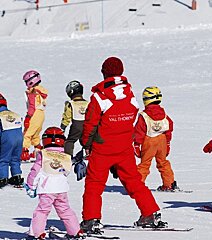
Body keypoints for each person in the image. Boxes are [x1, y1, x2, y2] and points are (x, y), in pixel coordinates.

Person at [77, 56, 167, 233]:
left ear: (104, 73)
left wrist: (86, 143)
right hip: (124, 146)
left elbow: (90, 123)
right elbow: (132, 113)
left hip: (102, 148)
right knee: (134, 181)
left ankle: (91, 219)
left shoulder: (99, 96)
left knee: (94, 185)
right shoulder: (129, 92)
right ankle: (150, 212)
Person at [24, 127, 83, 240]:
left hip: (47, 189)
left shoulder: (43, 155)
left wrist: (31, 186)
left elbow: (35, 171)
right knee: (65, 209)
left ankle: (37, 233)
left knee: (42, 211)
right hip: (61, 188)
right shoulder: (65, 156)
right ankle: (75, 231)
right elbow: (66, 171)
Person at [134, 86, 178, 191]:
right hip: (162, 139)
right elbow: (169, 126)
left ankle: (137, 185)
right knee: (163, 163)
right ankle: (169, 184)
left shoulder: (144, 115)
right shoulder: (164, 114)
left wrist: (136, 144)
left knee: (144, 164)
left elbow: (139, 131)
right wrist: (167, 142)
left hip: (149, 140)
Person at [21, 70, 48, 161]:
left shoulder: (33, 92)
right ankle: (38, 150)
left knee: (27, 133)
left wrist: (28, 117)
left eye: (26, 82)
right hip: (41, 114)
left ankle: (24, 152)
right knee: (35, 133)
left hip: (35, 114)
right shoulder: (41, 90)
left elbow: (32, 106)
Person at [0, 93, 24, 188]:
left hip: (7, 139)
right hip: (19, 138)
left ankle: (3, 178)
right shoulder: (14, 114)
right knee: (15, 158)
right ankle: (17, 176)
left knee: (3, 159)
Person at [60, 80, 89, 156]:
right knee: (87, 140)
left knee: (70, 140)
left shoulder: (71, 104)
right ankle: (89, 152)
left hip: (77, 124)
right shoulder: (88, 103)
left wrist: (63, 127)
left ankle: (68, 155)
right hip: (88, 124)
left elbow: (67, 117)